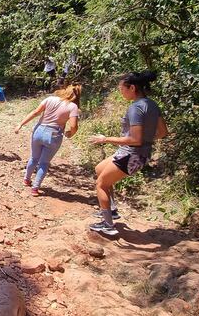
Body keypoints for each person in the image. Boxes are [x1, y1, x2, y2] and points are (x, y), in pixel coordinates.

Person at [88, 72, 167, 237]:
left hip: (131, 155)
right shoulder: (152, 104)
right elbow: (162, 132)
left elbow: (134, 139)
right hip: (135, 153)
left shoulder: (135, 108)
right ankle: (113, 210)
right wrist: (146, 139)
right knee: (99, 169)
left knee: (101, 184)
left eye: (121, 88)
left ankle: (107, 224)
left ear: (132, 87)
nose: (120, 91)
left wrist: (105, 139)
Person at [15, 84, 81, 196]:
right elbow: (73, 126)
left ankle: (26, 179)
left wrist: (21, 124)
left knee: (34, 158)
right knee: (44, 163)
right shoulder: (73, 107)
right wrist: (70, 133)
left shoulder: (50, 99)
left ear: (64, 91)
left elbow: (35, 112)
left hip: (39, 130)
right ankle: (35, 188)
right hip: (54, 135)